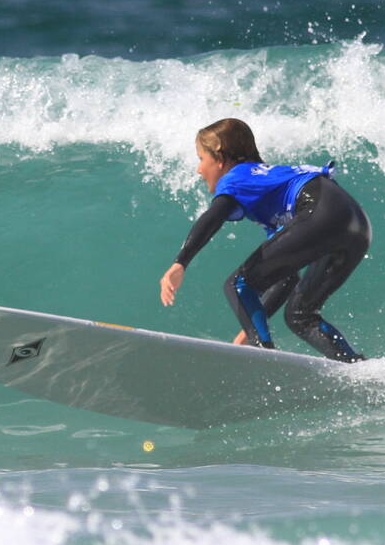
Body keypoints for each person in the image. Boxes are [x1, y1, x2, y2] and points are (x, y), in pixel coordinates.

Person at [157, 118, 370, 362]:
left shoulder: (236, 175)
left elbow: (213, 216)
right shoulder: (267, 181)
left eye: (201, 159)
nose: (198, 170)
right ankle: (355, 365)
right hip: (356, 223)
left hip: (320, 211)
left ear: (219, 157)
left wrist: (180, 262)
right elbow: (286, 277)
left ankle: (264, 359)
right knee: (300, 315)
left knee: (237, 283)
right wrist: (249, 331)